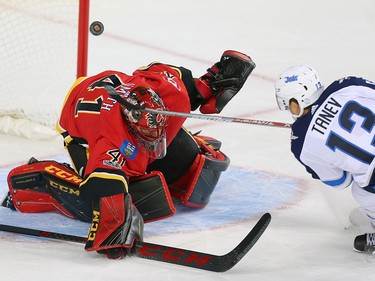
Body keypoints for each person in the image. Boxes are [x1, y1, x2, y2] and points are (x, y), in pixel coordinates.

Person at [2, 50, 255, 259]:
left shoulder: (171, 94)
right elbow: (101, 187)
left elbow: (174, 77)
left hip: (117, 94)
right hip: (78, 122)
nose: (155, 142)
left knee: (197, 173)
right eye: (147, 138)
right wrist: (113, 229)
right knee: (90, 206)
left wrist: (216, 82)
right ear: (132, 129)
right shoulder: (110, 142)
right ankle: (37, 178)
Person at [274, 65, 375, 254]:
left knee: (361, 191)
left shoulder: (301, 142)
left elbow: (340, 181)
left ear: (295, 102)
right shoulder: (345, 85)